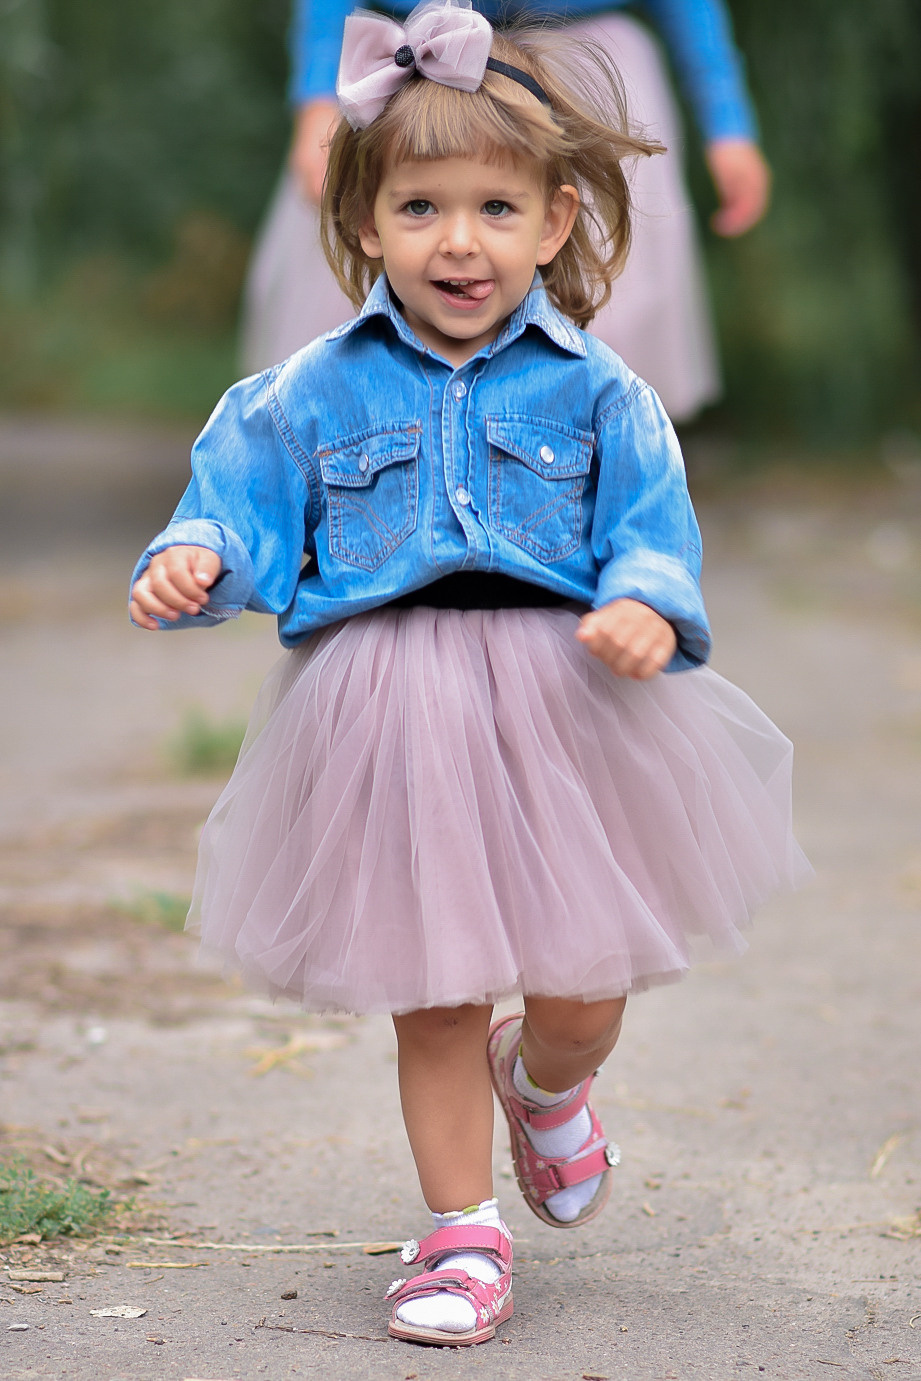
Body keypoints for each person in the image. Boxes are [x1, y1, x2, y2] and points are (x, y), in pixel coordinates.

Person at [130, 1, 807, 1348]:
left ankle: (545, 1084)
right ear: (364, 222)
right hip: (388, 708)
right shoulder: (306, 390)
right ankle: (460, 1231)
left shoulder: (600, 390)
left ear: (555, 222)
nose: (458, 241)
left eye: (496, 209)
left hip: (568, 701)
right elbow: (242, 501)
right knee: (434, 985)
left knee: (582, 986)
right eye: (421, 208)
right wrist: (199, 555)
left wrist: (645, 602)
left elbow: (652, 526)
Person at [241, 0, 771, 421]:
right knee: (354, 330)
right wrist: (318, 96)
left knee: (600, 317)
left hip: (582, 68)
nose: (460, 242)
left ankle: (577, 485)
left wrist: (725, 114)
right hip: (408, 72)